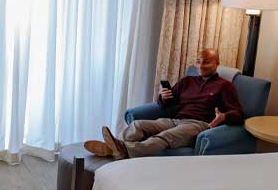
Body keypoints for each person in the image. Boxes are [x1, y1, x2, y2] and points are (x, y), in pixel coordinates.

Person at [85, 48, 243, 159]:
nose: (200, 66)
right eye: (198, 61)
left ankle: (123, 149)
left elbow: (238, 114)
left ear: (217, 63)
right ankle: (115, 147)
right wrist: (163, 96)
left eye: (206, 62)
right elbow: (166, 104)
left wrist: (223, 117)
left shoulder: (224, 86)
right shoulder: (187, 81)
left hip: (198, 124)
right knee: (138, 125)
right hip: (175, 120)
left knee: (165, 136)